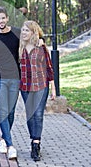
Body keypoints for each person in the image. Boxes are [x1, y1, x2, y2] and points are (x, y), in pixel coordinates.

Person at [18, 20, 56, 161]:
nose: (24, 32)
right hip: (25, 86)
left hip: (41, 85)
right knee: (30, 115)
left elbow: (49, 68)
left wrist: (53, 88)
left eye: (27, 30)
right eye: (23, 30)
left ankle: (36, 144)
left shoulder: (41, 47)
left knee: (38, 115)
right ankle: (33, 138)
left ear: (34, 32)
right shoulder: (19, 48)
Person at [0, 6, 21, 160]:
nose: (0, 21)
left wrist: (40, 40)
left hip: (15, 77)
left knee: (11, 112)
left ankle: (3, 139)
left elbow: (34, 36)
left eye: (3, 18)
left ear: (7, 18)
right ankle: (10, 145)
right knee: (3, 111)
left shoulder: (17, 33)